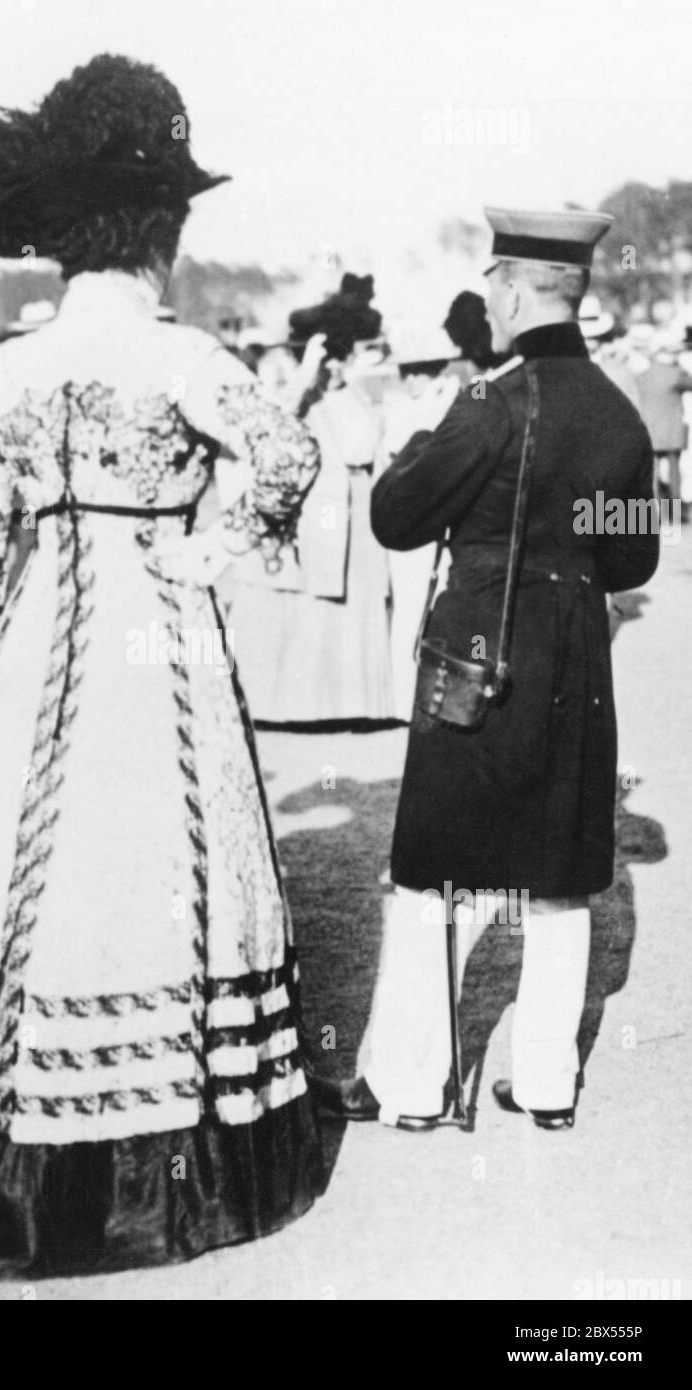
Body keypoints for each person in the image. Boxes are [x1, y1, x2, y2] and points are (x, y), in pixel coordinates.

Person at [0, 53, 323, 1279]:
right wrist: (208, 551)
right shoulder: (183, 357)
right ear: (156, 233)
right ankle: (168, 1156)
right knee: (164, 857)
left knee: (13, 868)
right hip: (159, 633)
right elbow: (287, 458)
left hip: (46, 636)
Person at [316, 207, 659, 1132]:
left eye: (489, 291)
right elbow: (632, 564)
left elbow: (395, 517)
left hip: (478, 657)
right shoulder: (619, 412)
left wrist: (425, 444)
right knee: (559, 871)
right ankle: (546, 1085)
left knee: (433, 870)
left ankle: (409, 1086)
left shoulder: (489, 403)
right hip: (574, 656)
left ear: (510, 292)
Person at [226, 279, 393, 722]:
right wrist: (306, 375)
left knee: (355, 601)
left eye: (339, 360)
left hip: (358, 509)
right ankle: (303, 708)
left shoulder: (358, 396)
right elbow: (273, 425)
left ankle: (355, 707)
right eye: (325, 360)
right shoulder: (299, 399)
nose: (333, 368)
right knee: (313, 605)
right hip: (320, 511)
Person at [381, 325, 462, 723]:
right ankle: (403, 699)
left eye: (420, 370)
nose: (411, 379)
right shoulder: (402, 409)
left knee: (433, 606)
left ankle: (431, 692)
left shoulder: (450, 401)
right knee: (410, 605)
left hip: (436, 517)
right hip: (410, 520)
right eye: (406, 370)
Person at [636, 340, 692, 503]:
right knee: (674, 471)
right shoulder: (676, 374)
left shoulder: (644, 374)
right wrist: (680, 366)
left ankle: (654, 504)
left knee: (653, 470)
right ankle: (675, 505)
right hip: (672, 430)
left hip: (650, 428)